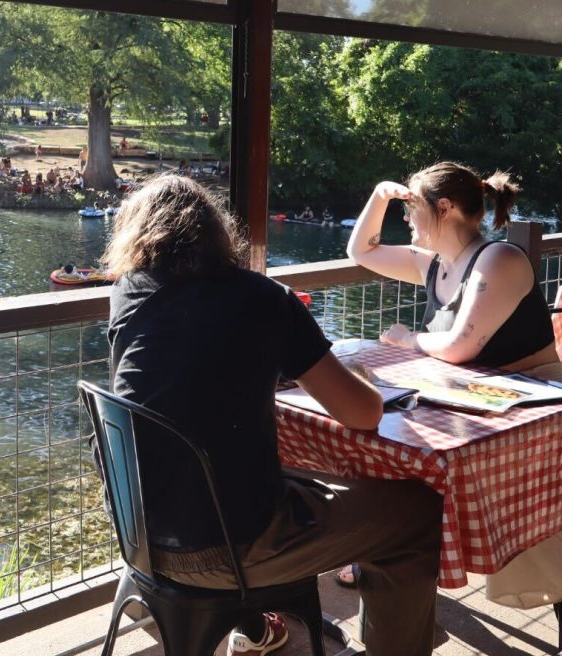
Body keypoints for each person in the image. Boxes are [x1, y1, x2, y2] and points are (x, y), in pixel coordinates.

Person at [105, 175, 442, 656]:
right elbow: (364, 415)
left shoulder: (128, 295)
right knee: (417, 511)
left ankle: (257, 627)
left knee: (260, 471)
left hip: (140, 535)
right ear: (221, 233)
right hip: (227, 550)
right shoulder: (264, 298)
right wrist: (359, 374)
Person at [346, 162, 562, 655]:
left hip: (537, 405)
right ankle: (405, 599)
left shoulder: (499, 259)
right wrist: (379, 197)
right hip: (470, 402)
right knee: (404, 473)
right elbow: (359, 250)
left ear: (445, 209)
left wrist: (410, 338)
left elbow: (458, 347)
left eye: (412, 210)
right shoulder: (431, 263)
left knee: (514, 512)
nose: (407, 221)